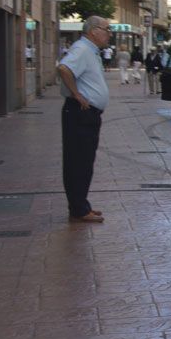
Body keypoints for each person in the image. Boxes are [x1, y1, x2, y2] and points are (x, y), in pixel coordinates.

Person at [57, 16, 112, 224]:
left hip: (87, 114)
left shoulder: (90, 50)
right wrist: (77, 94)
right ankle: (79, 209)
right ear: (93, 31)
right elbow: (63, 69)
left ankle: (81, 205)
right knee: (78, 161)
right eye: (107, 29)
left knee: (85, 160)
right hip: (80, 113)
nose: (109, 33)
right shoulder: (82, 49)